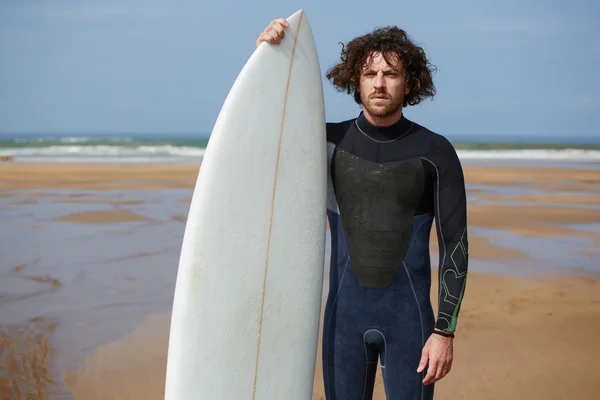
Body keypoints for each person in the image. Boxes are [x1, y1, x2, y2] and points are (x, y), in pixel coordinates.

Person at [256, 18, 469, 400]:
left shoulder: (435, 152)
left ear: (410, 83)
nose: (379, 82)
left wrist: (444, 331)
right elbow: (263, 132)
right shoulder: (325, 142)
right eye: (369, 73)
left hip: (413, 327)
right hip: (343, 325)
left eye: (391, 73)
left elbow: (455, 245)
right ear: (355, 80)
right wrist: (270, 56)